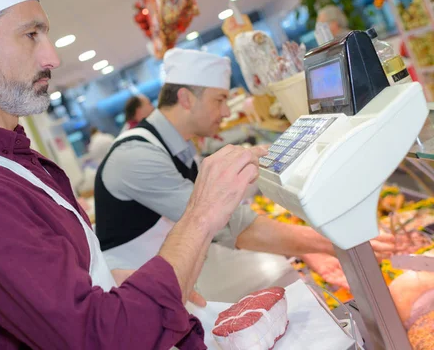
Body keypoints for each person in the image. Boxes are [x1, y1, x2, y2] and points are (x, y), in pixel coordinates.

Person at [0, 0, 264, 349]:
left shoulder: (4, 159)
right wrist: (201, 215)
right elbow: (103, 339)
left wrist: (116, 285)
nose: (52, 57)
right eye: (31, 34)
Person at [95, 48, 396, 273]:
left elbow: (225, 200)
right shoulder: (136, 157)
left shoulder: (176, 145)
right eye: (220, 100)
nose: (227, 112)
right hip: (134, 288)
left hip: (166, 273)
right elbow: (226, 223)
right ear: (186, 99)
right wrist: (334, 241)